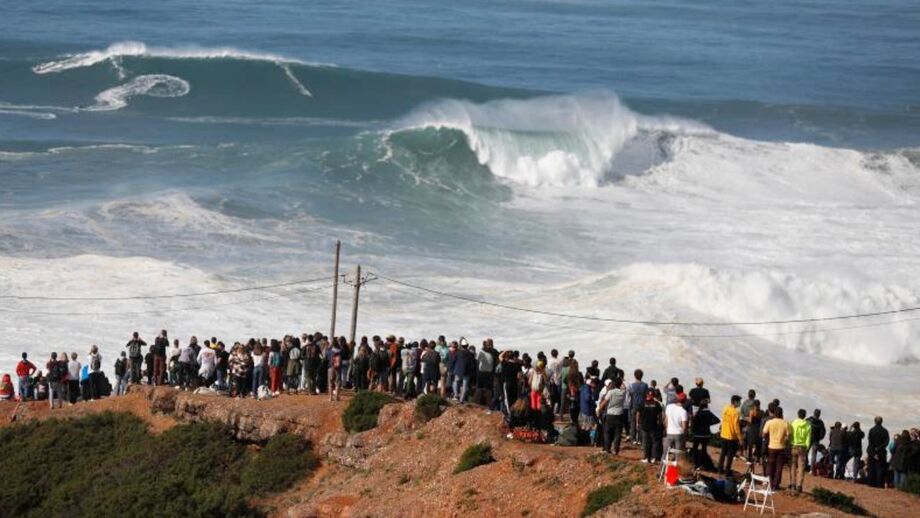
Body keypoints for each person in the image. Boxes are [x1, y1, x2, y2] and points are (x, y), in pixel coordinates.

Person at [762, 407, 789, 490]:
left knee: (770, 466)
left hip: (771, 447)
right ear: (782, 414)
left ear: (774, 414)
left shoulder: (769, 422)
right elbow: (788, 436)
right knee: (779, 467)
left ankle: (769, 483)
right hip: (781, 447)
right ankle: (775, 485)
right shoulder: (785, 423)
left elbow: (764, 433)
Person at [598, 378, 627, 454]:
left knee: (607, 432)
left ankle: (607, 449)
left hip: (610, 414)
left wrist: (599, 409)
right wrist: (621, 381)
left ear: (614, 384)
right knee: (618, 433)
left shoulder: (611, 392)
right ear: (620, 384)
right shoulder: (623, 392)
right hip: (619, 414)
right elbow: (624, 387)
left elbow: (604, 402)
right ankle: (616, 450)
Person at [692, 400, 720, 471]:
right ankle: (702, 464)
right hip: (706, 435)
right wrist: (709, 424)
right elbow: (717, 420)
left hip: (697, 434)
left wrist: (693, 430)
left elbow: (694, 422)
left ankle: (695, 464)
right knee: (704, 450)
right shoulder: (709, 413)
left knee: (695, 449)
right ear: (707, 406)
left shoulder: (698, 413)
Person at [718, 395, 743, 475]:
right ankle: (727, 471)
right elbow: (736, 426)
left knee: (723, 453)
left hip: (723, 434)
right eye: (739, 402)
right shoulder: (736, 412)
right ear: (735, 402)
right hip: (731, 436)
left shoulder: (725, 408)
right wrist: (740, 438)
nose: (740, 403)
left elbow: (723, 419)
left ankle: (720, 469)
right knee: (730, 455)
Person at [790, 408, 812, 494]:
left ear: (798, 414)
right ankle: (799, 485)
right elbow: (808, 438)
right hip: (802, 447)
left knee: (793, 465)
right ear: (805, 416)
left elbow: (791, 434)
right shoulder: (808, 425)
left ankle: (793, 484)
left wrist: (791, 442)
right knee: (801, 467)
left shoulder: (793, 423)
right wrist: (807, 447)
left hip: (794, 446)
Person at [640, 389, 664, 463]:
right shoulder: (656, 404)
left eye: (651, 395)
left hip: (646, 426)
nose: (650, 396)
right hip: (653, 425)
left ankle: (648, 458)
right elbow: (660, 415)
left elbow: (638, 413)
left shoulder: (642, 403)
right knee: (654, 442)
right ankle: (653, 458)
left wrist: (638, 423)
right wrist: (660, 423)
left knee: (647, 442)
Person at [866, 416, 889, 488]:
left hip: (872, 452)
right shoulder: (885, 431)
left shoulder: (871, 430)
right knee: (880, 470)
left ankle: (871, 484)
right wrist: (879, 448)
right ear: (882, 422)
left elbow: (870, 442)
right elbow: (886, 442)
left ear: (875, 421)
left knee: (871, 469)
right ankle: (880, 485)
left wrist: (873, 453)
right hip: (881, 452)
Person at [628, 369, 649, 445]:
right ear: (642, 376)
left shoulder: (632, 385)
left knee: (633, 422)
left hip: (634, 404)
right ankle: (640, 439)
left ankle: (633, 439)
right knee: (641, 422)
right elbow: (647, 395)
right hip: (643, 404)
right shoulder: (645, 385)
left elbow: (630, 395)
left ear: (635, 376)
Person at [807, 409, 826, 473]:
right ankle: (812, 469)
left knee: (805, 452)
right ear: (819, 414)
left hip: (808, 439)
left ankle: (804, 466)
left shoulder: (808, 420)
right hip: (816, 440)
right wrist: (820, 438)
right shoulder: (821, 422)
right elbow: (823, 432)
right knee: (814, 455)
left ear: (814, 413)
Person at [745, 400, 764, 464]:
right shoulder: (762, 412)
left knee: (750, 445)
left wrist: (746, 418)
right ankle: (758, 460)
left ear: (754, 405)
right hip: (758, 429)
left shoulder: (752, 412)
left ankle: (749, 459)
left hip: (752, 429)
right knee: (758, 445)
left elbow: (750, 421)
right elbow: (762, 421)